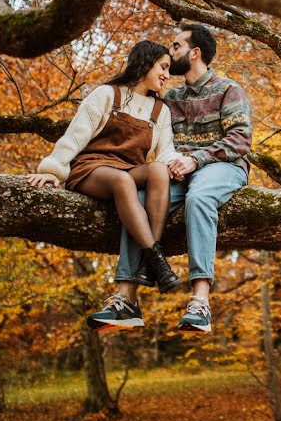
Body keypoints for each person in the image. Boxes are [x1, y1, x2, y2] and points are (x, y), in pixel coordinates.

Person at [103, 23, 252, 334]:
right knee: (139, 202)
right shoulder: (170, 97)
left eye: (176, 46)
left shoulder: (228, 89)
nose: (169, 52)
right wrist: (165, 164)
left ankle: (200, 300)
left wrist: (194, 159)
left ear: (194, 53)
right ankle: (126, 298)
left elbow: (240, 140)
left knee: (200, 198)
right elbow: (156, 142)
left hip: (222, 167)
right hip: (176, 172)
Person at [27, 40, 182, 330]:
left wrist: (179, 164)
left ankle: (152, 259)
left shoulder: (160, 111)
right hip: (92, 169)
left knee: (159, 171)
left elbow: (166, 152)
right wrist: (52, 171)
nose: (166, 75)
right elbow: (74, 136)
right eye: (163, 67)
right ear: (145, 63)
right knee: (123, 180)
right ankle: (155, 258)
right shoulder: (106, 94)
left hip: (128, 169)